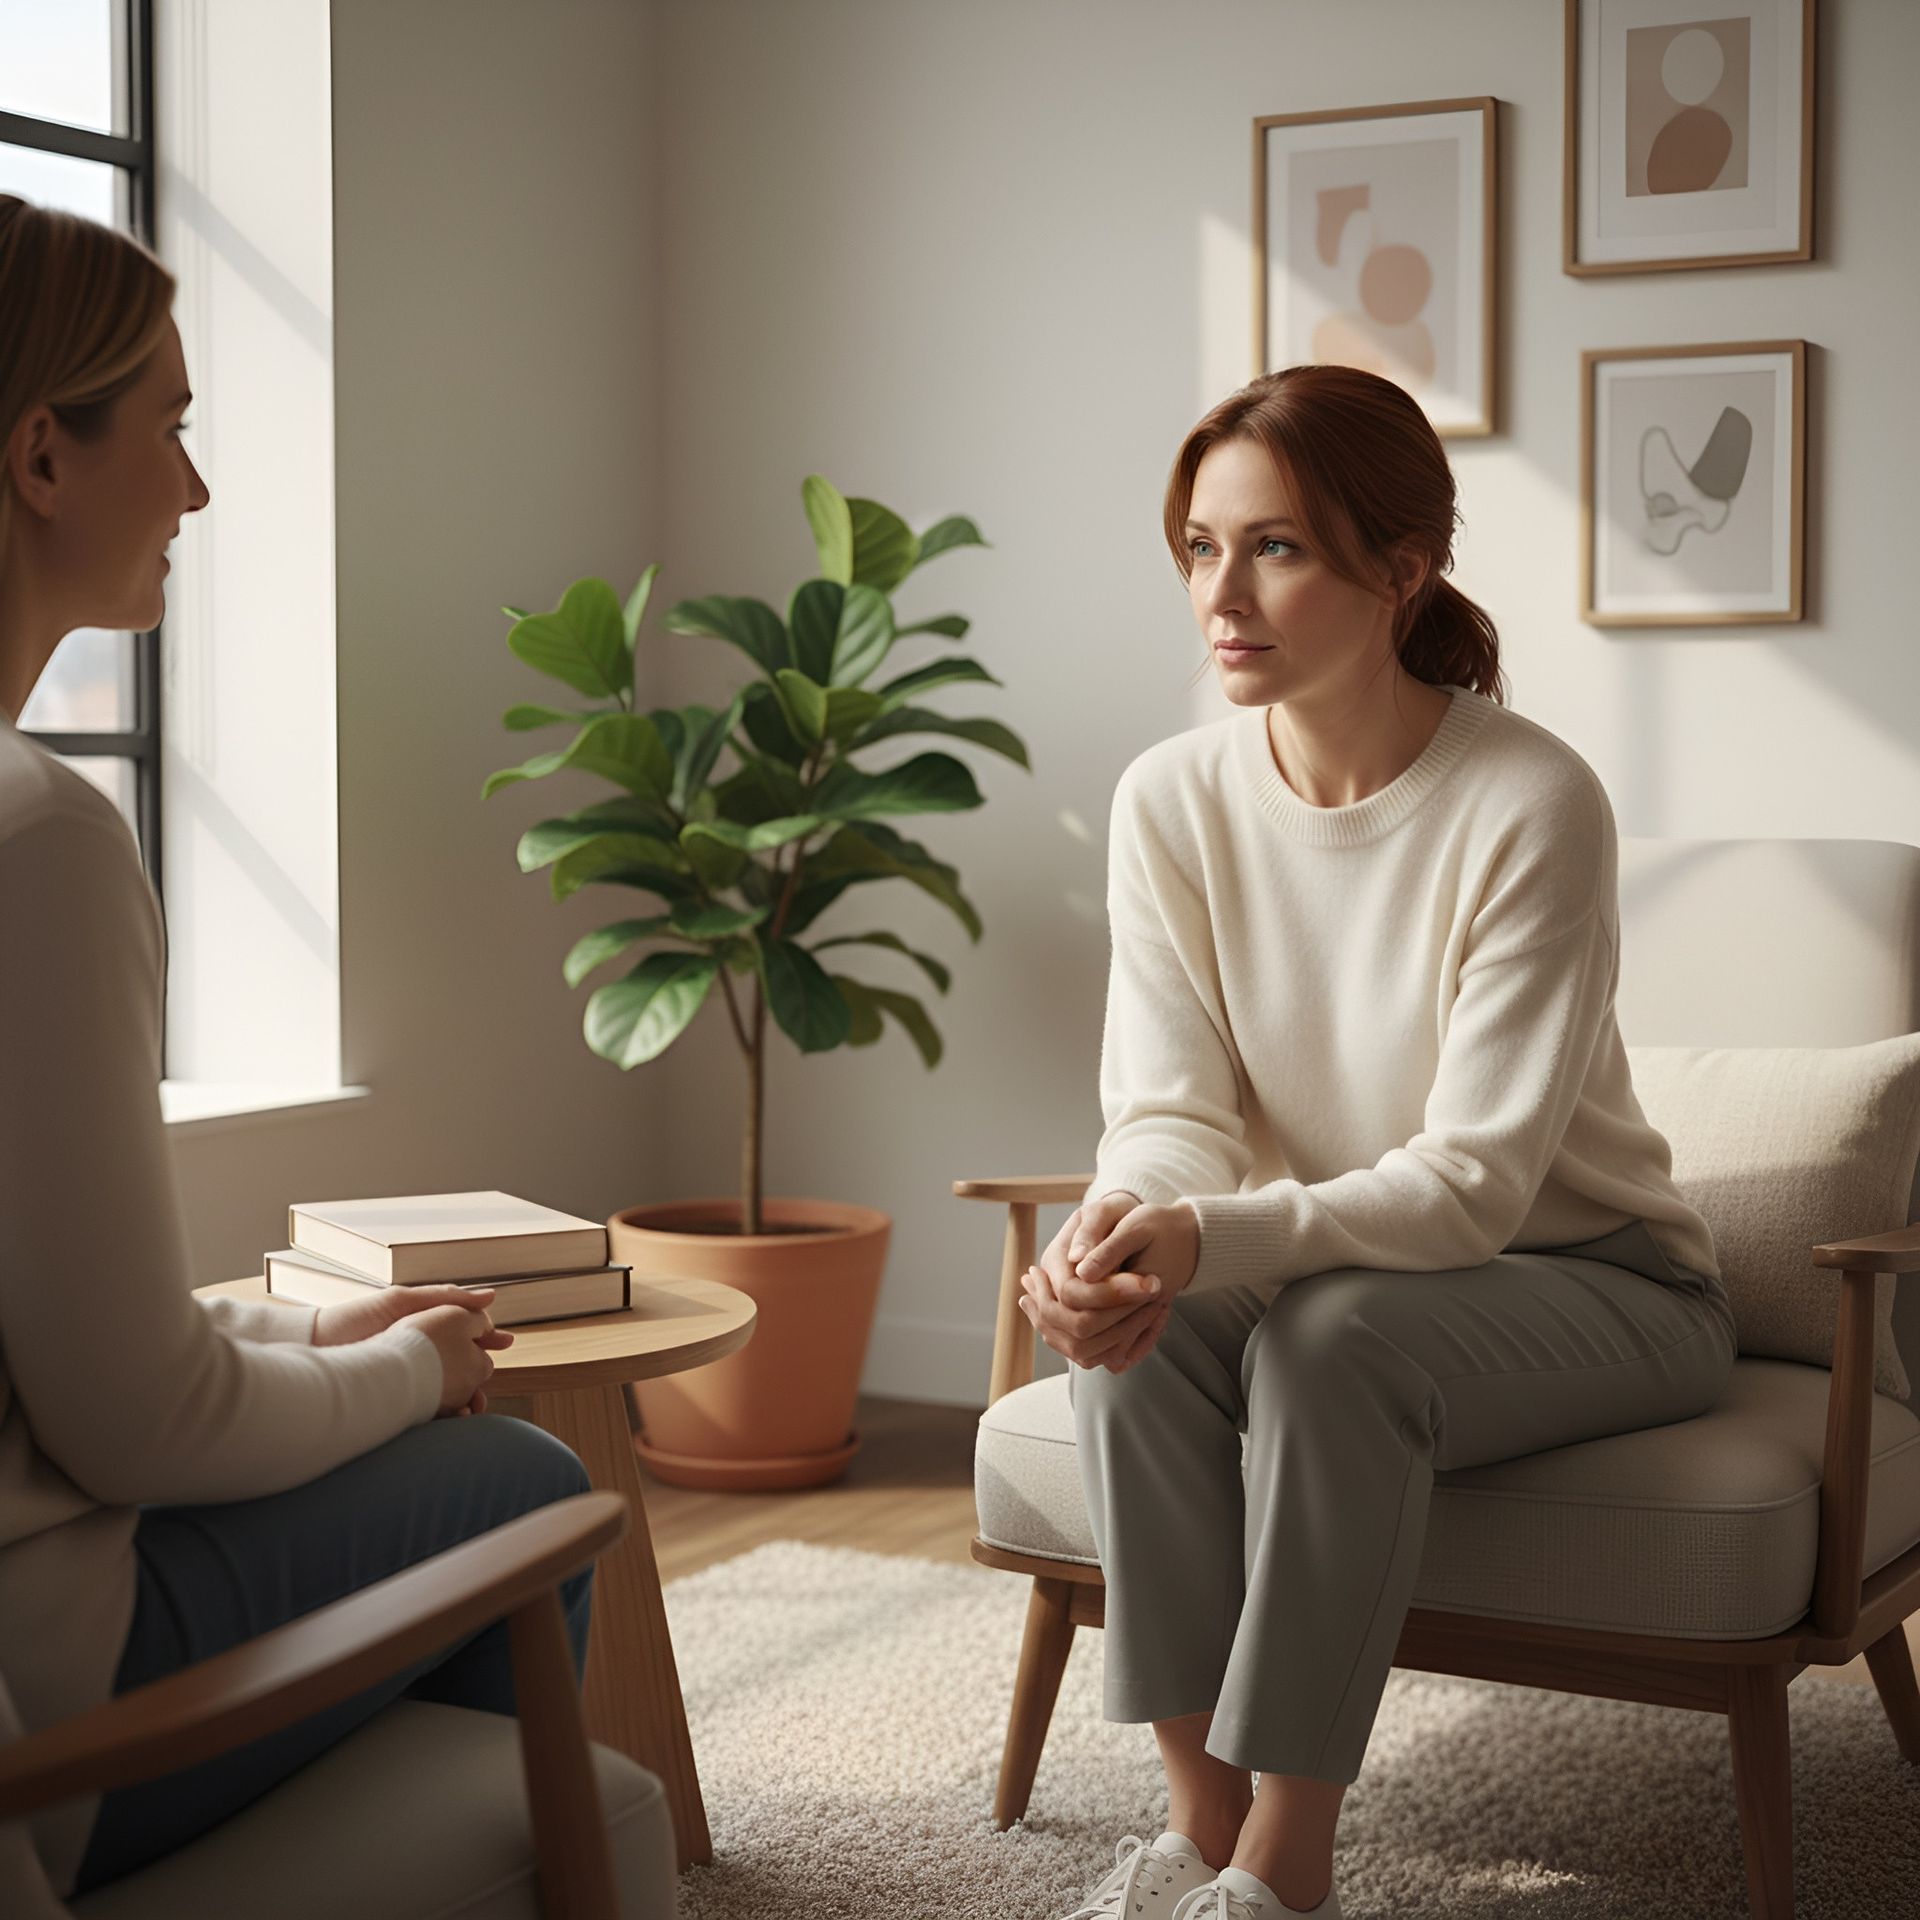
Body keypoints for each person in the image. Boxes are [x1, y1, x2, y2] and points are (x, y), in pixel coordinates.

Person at [1023, 365, 1737, 1920]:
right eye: (1199, 548)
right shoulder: (1172, 799)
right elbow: (1168, 1112)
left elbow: (1477, 1181)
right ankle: (1199, 1832)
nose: (1224, 594)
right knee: (1131, 1317)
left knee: (1332, 1342)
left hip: (1604, 1288)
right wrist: (1124, 1226)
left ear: (1401, 570)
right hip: (1361, 1271)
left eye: (1274, 548)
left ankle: (1290, 1868)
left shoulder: (1532, 799)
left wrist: (1220, 1233)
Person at [0, 194, 599, 1901]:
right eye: (172, 428)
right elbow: (140, 1434)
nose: (193, 489)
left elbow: (48, 1339)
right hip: (48, 1704)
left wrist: (295, 1326)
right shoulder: (32, 839)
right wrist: (411, 1370)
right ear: (43, 455)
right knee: (518, 1477)